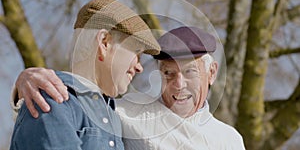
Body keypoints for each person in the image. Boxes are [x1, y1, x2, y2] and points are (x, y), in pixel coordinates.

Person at [11, 26, 245, 149]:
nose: (179, 84)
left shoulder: (229, 140)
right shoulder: (125, 113)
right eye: (168, 73)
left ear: (211, 72)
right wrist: (26, 79)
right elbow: (70, 106)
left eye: (190, 72)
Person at [9, 0, 162, 150]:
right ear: (104, 43)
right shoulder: (54, 99)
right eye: (136, 52)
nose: (139, 67)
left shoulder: (113, 116)